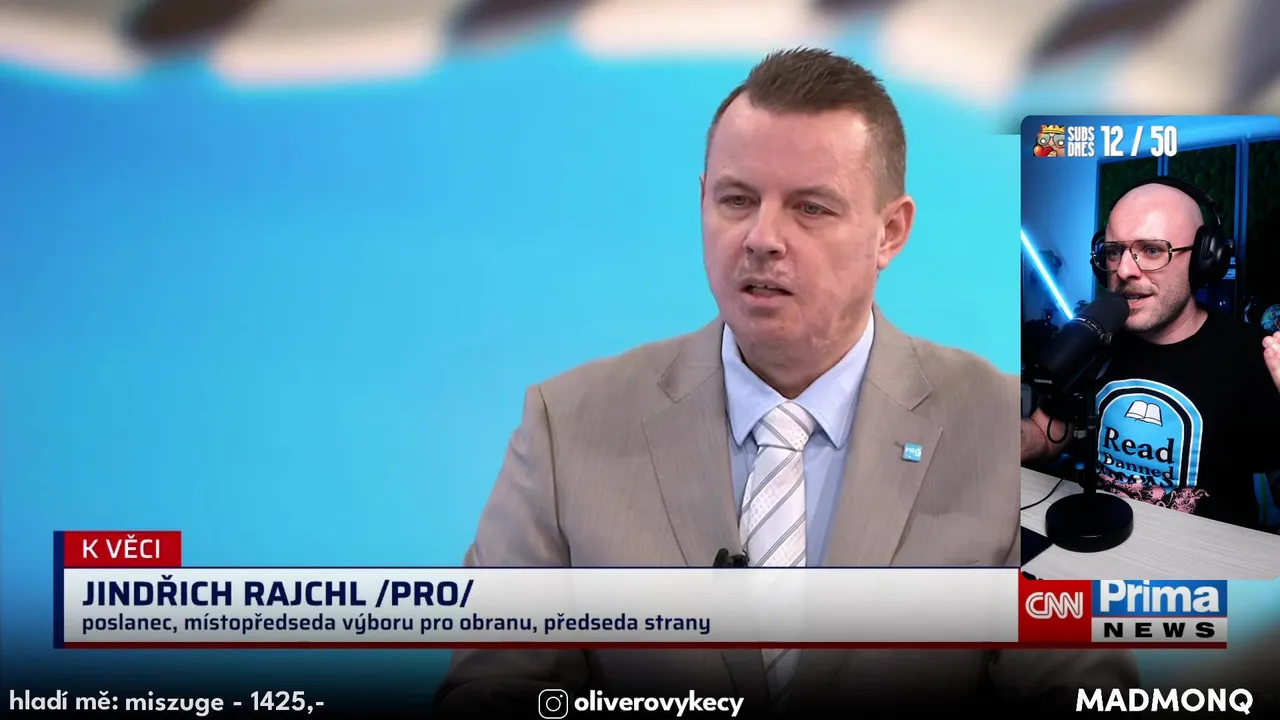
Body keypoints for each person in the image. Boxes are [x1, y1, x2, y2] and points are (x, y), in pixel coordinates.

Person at [436, 48, 1137, 716]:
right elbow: (492, 684)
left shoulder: (987, 423)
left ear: (890, 232)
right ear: (702, 201)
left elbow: (1080, 679)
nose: (761, 238)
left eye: (811, 207)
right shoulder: (565, 427)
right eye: (737, 200)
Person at [1022, 177, 1280, 530]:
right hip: (1095, 533)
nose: (1124, 270)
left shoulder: (1256, 355)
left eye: (1153, 250)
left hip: (1197, 555)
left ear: (1204, 259)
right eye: (1114, 251)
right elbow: (1042, 433)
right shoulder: (1092, 339)